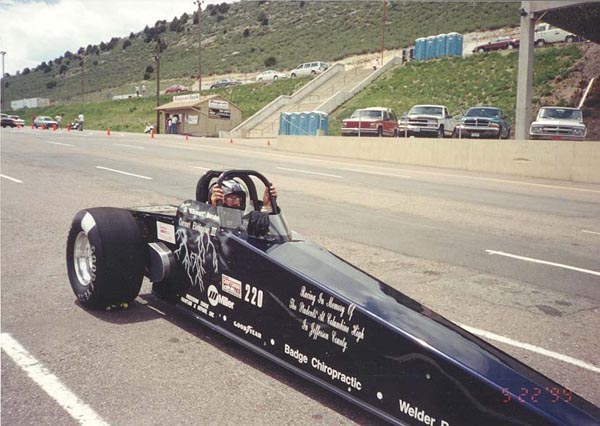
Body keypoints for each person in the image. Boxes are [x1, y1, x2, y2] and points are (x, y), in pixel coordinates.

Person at [210, 179, 277, 211]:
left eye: (238, 199)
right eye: (229, 199)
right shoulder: (205, 220)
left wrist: (267, 207)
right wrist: (214, 209)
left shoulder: (244, 220)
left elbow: (259, 227)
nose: (236, 202)